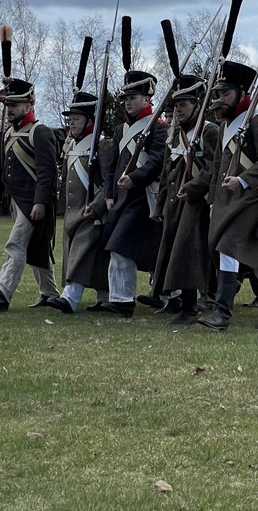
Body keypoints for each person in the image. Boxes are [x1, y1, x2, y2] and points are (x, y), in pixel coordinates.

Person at [191, 61, 258, 330]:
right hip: (227, 202)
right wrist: (213, 200)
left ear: (241, 93)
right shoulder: (226, 126)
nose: (221, 99)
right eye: (219, 93)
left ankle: (222, 313)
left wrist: (243, 180)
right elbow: (217, 168)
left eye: (226, 94)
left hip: (251, 199)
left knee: (228, 247)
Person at [0, 78, 60, 312]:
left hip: (33, 202)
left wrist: (40, 202)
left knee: (15, 243)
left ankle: (3, 292)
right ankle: (50, 294)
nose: (10, 110)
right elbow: (0, 172)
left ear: (29, 104)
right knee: (38, 248)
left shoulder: (40, 132)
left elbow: (47, 173)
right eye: (8, 105)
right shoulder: (6, 134)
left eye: (14, 105)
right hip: (17, 202)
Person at [149, 74, 218, 325]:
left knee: (188, 251)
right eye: (176, 105)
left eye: (184, 105)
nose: (178, 110)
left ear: (197, 105)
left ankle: (191, 307)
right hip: (174, 201)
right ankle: (182, 302)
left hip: (196, 201)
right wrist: (160, 205)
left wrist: (193, 187)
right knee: (174, 251)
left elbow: (213, 167)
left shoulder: (209, 131)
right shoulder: (175, 133)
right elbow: (167, 170)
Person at [100, 69, 168, 317]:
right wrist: (109, 195)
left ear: (147, 99)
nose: (128, 102)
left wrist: (135, 178)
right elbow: (113, 165)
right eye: (126, 98)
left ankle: (124, 299)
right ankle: (122, 297)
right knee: (121, 246)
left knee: (122, 245)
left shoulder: (159, 127)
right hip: (122, 198)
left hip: (144, 196)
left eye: (133, 98)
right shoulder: (121, 130)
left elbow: (158, 161)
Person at [47, 92, 111, 313]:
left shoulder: (102, 145)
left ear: (89, 120)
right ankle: (105, 297)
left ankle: (70, 298)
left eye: (76, 118)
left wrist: (98, 206)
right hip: (73, 211)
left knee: (82, 252)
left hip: (91, 211)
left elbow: (108, 182)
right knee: (91, 257)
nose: (71, 123)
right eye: (70, 119)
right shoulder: (71, 146)